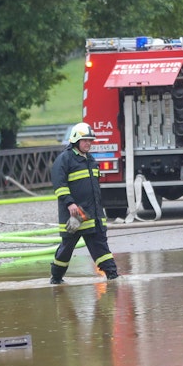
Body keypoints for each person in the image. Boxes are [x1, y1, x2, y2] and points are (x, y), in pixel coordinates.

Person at [50, 122, 119, 284]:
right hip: (75, 214)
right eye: (85, 140)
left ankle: (113, 276)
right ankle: (56, 278)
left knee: (100, 246)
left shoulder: (90, 160)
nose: (88, 143)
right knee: (66, 249)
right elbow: (59, 185)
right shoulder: (64, 160)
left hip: (93, 214)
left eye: (90, 140)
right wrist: (70, 204)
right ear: (75, 140)